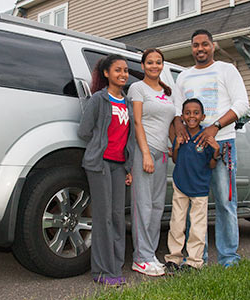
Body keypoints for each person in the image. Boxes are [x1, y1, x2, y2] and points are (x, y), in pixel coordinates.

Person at [173, 29, 250, 268]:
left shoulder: (227, 70)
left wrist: (215, 127)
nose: (200, 49)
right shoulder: (184, 76)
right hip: (191, 149)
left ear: (213, 46)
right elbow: (177, 112)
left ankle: (229, 258)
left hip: (222, 143)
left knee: (226, 203)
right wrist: (179, 129)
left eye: (205, 44)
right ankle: (198, 258)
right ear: (192, 48)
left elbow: (242, 105)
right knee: (194, 204)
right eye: (196, 45)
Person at [78, 54, 136, 286]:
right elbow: (84, 131)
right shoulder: (99, 100)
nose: (123, 74)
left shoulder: (128, 102)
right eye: (117, 70)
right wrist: (99, 146)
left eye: (125, 70)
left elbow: (129, 137)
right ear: (106, 73)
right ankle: (101, 271)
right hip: (99, 164)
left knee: (117, 217)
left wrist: (129, 166)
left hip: (120, 166)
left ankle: (115, 265)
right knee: (103, 219)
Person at [127, 48, 177, 276]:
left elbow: (168, 123)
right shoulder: (137, 88)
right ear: (143, 65)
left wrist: (171, 146)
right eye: (150, 62)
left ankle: (150, 254)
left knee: (157, 207)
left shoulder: (167, 92)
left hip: (162, 154)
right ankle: (140, 258)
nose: (154, 66)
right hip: (144, 152)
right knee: (143, 207)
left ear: (162, 65)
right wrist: (145, 153)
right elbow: (137, 123)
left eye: (158, 62)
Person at [164, 98, 220, 274]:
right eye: (187, 113)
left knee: (197, 226)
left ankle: (194, 261)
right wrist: (177, 146)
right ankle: (174, 258)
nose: (192, 116)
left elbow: (211, 164)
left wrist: (216, 152)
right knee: (177, 223)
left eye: (196, 113)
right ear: (183, 116)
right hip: (181, 185)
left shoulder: (206, 138)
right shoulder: (181, 136)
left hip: (200, 188)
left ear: (202, 116)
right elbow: (174, 159)